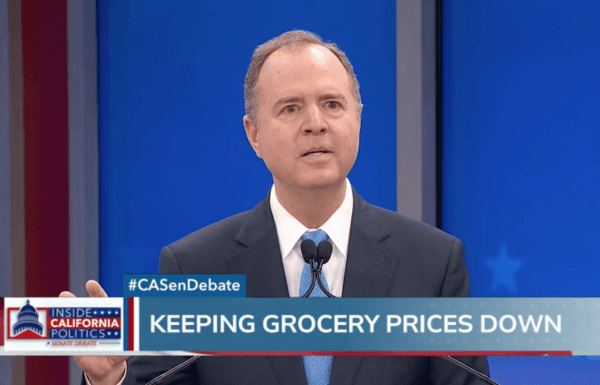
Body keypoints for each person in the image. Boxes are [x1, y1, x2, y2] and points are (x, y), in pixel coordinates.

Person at [63, 30, 490, 384]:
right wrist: (109, 381)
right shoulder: (193, 267)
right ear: (254, 135)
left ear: (358, 118)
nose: (316, 123)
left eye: (332, 104)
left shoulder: (433, 264)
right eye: (290, 108)